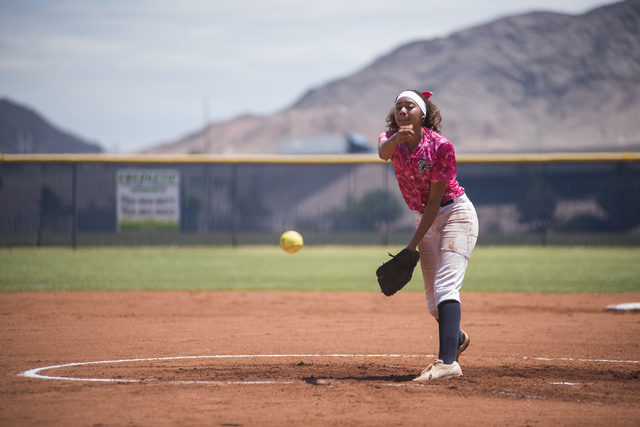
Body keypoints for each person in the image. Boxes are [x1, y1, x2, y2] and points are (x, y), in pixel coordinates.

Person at [378, 90, 479, 381]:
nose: (402, 110)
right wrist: (396, 139)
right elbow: (383, 152)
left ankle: (448, 363)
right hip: (425, 218)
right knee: (434, 302)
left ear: (423, 114)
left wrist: (411, 246)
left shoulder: (440, 147)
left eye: (409, 106)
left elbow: (435, 202)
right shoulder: (389, 140)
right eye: (398, 106)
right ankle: (455, 337)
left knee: (446, 286)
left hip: (454, 215)